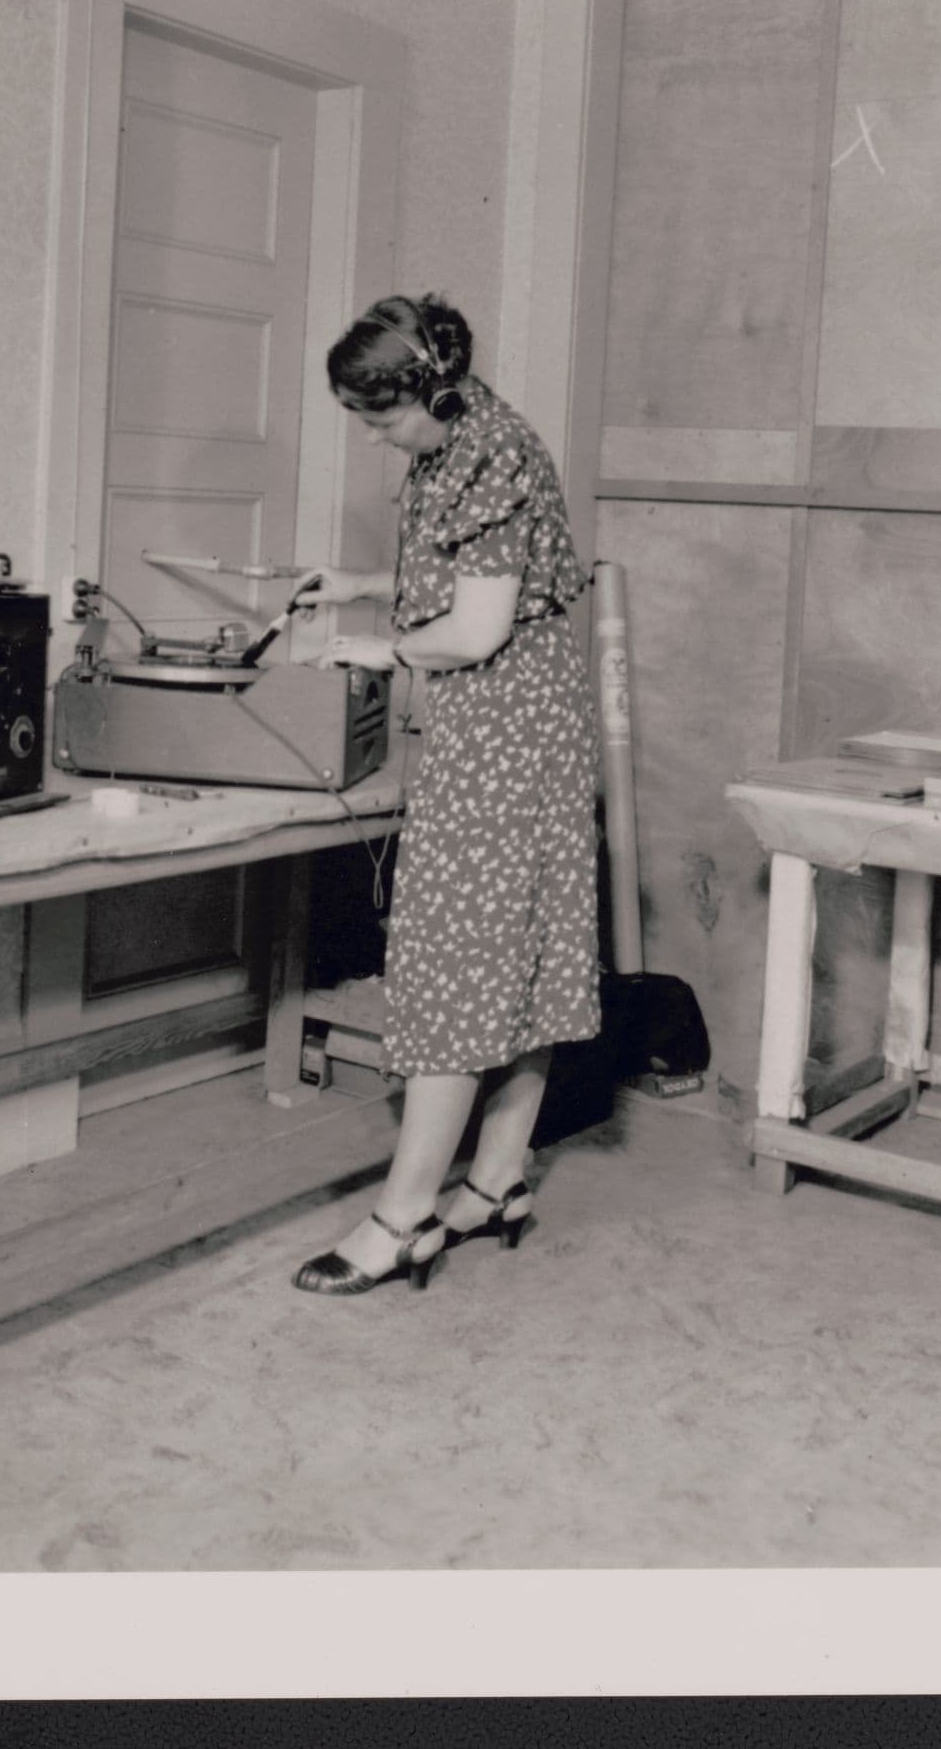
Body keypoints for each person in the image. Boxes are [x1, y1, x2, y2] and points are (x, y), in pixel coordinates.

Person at [288, 293, 601, 1294]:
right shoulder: (461, 435)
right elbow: (462, 575)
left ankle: (401, 1215)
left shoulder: (491, 454)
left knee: (462, 966)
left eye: (381, 417)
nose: (377, 438)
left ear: (429, 389)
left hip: (507, 741)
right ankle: (497, 1180)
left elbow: (473, 633)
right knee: (519, 953)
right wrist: (355, 584)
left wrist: (373, 643)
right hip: (523, 734)